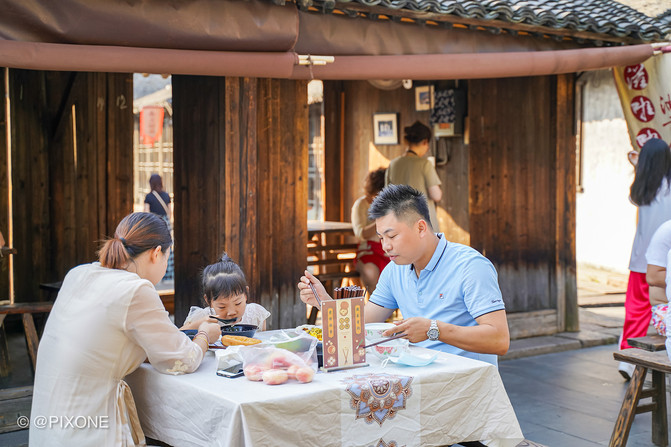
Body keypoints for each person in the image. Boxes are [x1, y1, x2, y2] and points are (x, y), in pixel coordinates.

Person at [30, 212, 221, 446]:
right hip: (89, 428)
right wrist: (205, 334)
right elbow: (183, 360)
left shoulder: (78, 274)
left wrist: (189, 327)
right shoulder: (136, 290)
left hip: (48, 425)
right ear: (156, 253)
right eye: (167, 256)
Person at [298, 184, 509, 366]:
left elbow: (499, 340)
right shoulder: (395, 269)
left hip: (466, 384)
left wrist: (433, 329)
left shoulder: (471, 266)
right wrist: (324, 302)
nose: (386, 246)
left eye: (392, 236)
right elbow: (364, 322)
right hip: (417, 377)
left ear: (421, 228)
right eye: (381, 238)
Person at [618, 138, 671, 380]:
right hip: (665, 262)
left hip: (641, 261)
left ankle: (628, 358)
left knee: (636, 310)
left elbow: (635, 160)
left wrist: (636, 163)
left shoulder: (641, 188)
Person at [180, 253, 270, 331]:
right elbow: (177, 338)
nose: (231, 312)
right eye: (222, 307)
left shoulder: (255, 315)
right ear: (208, 301)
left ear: (246, 294)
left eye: (238, 303)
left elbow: (262, 342)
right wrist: (197, 324)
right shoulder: (202, 317)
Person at [386, 121, 442, 231]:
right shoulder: (425, 164)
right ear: (425, 142)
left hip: (400, 224)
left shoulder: (393, 164)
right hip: (423, 225)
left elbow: (387, 196)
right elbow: (436, 195)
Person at [351, 167, 390, 293]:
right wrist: (380, 220)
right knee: (370, 273)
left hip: (390, 250)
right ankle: (375, 304)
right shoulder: (361, 204)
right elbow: (360, 234)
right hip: (368, 251)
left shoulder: (394, 204)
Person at [144, 173, 173, 281]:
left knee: (154, 248)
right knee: (167, 248)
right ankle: (168, 274)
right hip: (165, 223)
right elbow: (170, 212)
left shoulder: (149, 197)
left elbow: (146, 212)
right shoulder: (166, 195)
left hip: (154, 223)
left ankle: (155, 274)